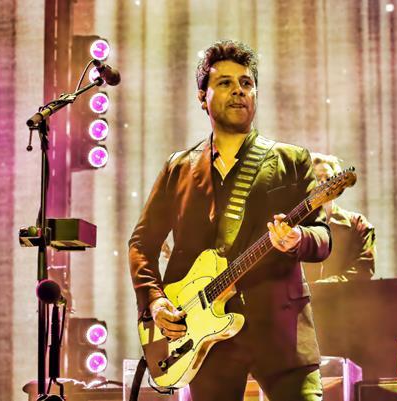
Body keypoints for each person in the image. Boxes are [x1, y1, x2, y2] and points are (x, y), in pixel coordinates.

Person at [128, 40, 331, 401]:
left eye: (246, 83)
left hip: (282, 332)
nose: (239, 90)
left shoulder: (291, 160)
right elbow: (142, 243)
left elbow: (322, 238)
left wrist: (297, 239)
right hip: (205, 340)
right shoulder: (179, 168)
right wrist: (155, 300)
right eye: (225, 83)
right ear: (201, 97)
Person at [303, 153, 375, 283]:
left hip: (346, 296)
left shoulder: (358, 224)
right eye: (317, 178)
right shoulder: (295, 227)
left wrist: (321, 287)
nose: (324, 183)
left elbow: (363, 270)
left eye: (329, 178)